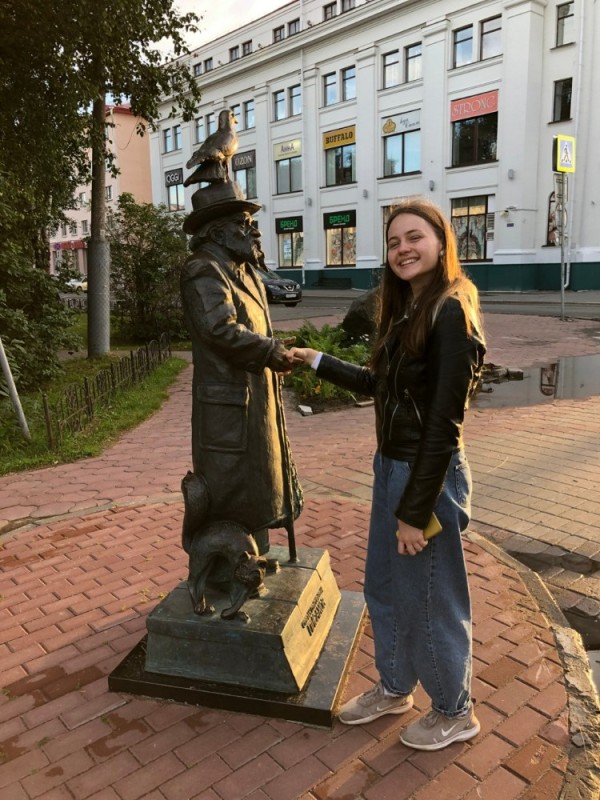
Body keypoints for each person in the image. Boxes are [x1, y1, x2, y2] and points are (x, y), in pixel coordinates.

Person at [288, 197, 486, 751]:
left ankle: (453, 709)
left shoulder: (451, 311)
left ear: (441, 243)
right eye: (395, 241)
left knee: (429, 598)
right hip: (393, 468)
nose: (403, 248)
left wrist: (414, 513)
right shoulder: (412, 309)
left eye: (414, 237)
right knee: (384, 587)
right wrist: (317, 361)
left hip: (426, 477)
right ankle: (397, 686)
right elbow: (384, 387)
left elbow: (444, 425)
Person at [180, 185, 302, 556]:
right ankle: (227, 569)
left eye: (252, 222)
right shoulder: (203, 269)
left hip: (255, 394)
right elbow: (219, 328)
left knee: (259, 483)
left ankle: (255, 555)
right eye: (243, 223)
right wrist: (269, 350)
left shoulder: (243, 269)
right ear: (218, 232)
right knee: (233, 488)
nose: (255, 231)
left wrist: (273, 350)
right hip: (227, 408)